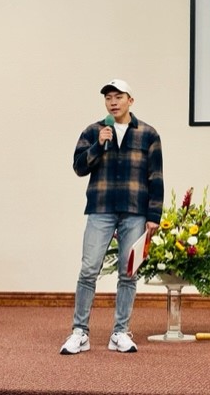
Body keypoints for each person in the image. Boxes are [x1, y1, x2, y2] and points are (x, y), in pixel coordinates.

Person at [60, 79, 164, 355]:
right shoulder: (93, 131)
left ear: (131, 100)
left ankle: (120, 332)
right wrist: (98, 145)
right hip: (101, 208)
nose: (113, 102)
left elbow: (156, 177)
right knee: (88, 270)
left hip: (135, 211)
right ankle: (79, 332)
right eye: (108, 98)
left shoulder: (148, 134)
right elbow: (79, 167)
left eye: (119, 96)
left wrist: (154, 215)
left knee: (128, 273)